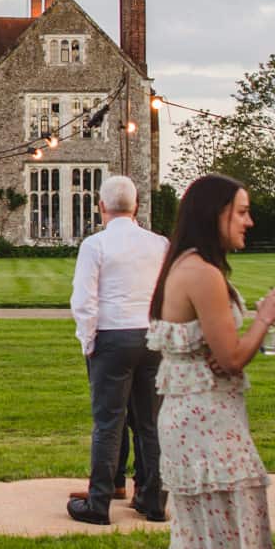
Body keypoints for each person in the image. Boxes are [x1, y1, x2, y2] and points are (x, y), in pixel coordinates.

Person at [151, 175, 275, 549]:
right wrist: (264, 318)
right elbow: (230, 358)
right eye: (242, 212)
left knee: (200, 540)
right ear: (217, 215)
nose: (249, 222)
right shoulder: (203, 274)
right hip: (210, 425)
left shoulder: (179, 267)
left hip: (185, 422)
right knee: (234, 540)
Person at [68, 172, 170, 525]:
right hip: (152, 336)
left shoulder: (95, 245)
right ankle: (154, 500)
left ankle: (99, 503)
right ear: (136, 206)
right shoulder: (160, 244)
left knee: (109, 422)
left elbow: (84, 300)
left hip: (112, 337)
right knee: (150, 423)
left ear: (101, 207)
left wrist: (89, 341)